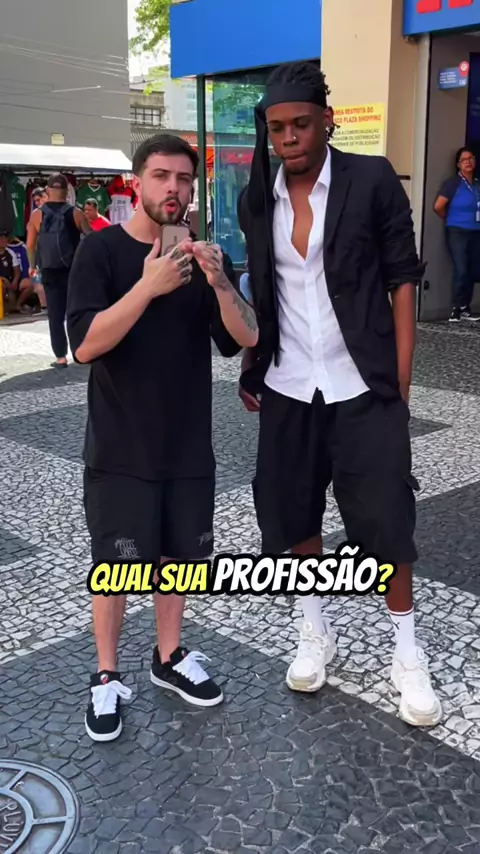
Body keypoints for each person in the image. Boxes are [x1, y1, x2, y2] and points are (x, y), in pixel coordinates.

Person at [238, 61, 442, 728]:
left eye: (300, 123)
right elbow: (264, 289)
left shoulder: (372, 180)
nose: (288, 137)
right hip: (289, 386)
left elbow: (403, 278)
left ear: (326, 120)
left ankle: (406, 653)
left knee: (386, 522)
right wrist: (252, 363)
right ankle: (314, 630)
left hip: (363, 385)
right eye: (276, 128)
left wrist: (400, 382)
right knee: (294, 516)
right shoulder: (257, 199)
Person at [66, 133, 258, 743]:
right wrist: (148, 286)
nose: (173, 188)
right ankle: (106, 674)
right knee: (117, 567)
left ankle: (169, 656)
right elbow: (83, 345)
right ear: (137, 182)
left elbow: (245, 338)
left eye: (183, 179)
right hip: (121, 446)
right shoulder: (100, 252)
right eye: (161, 176)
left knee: (178, 560)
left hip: (187, 445)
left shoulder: (203, 259)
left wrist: (221, 283)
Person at [27, 173, 91, 368]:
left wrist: (32, 266)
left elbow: (30, 245)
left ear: (47, 191)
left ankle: (61, 357)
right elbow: (91, 239)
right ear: (67, 192)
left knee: (55, 315)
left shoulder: (37, 214)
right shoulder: (76, 213)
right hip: (73, 271)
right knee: (75, 313)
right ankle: (81, 353)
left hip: (49, 270)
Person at [434, 147, 480, 322]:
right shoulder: (453, 183)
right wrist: (449, 218)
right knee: (461, 269)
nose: (468, 162)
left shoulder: (477, 184)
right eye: (464, 160)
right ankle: (456, 308)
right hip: (457, 231)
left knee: (472, 269)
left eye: (471, 158)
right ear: (458, 164)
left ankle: (465, 308)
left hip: (476, 231)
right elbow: (438, 206)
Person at [0, 232, 35, 313]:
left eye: (5, 238)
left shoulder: (10, 252)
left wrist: (15, 280)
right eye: (1, 239)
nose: (4, 240)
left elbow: (17, 270)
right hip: (2, 282)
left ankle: (17, 305)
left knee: (30, 284)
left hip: (11, 280)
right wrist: (4, 280)